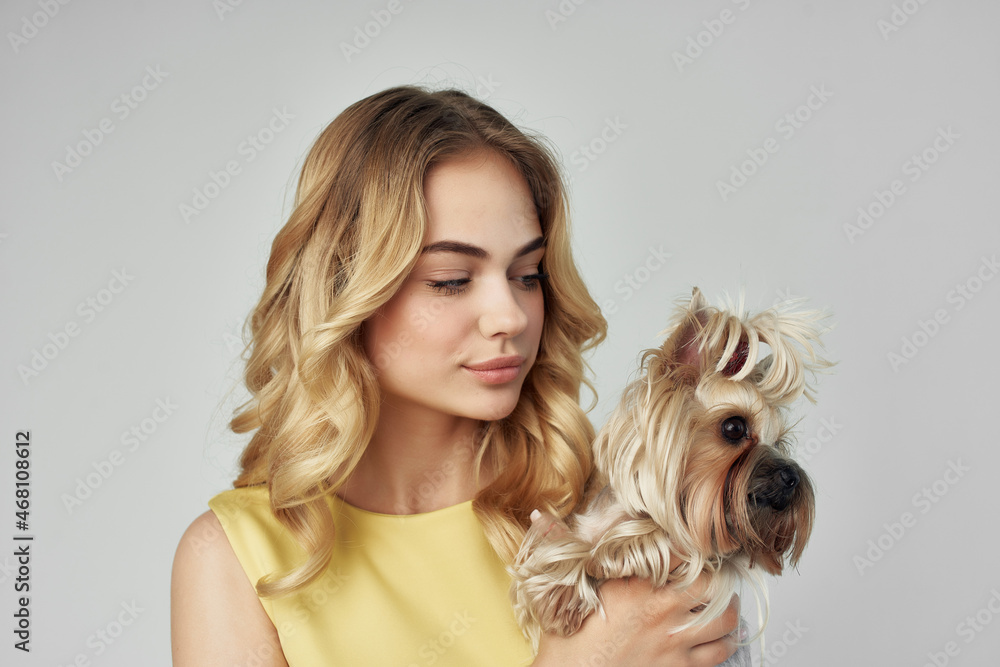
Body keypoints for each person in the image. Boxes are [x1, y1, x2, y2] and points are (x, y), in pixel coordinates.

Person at [170, 85, 741, 666]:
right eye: (450, 279)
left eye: (528, 273)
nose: (511, 316)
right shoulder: (234, 560)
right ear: (345, 290)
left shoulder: (611, 510)